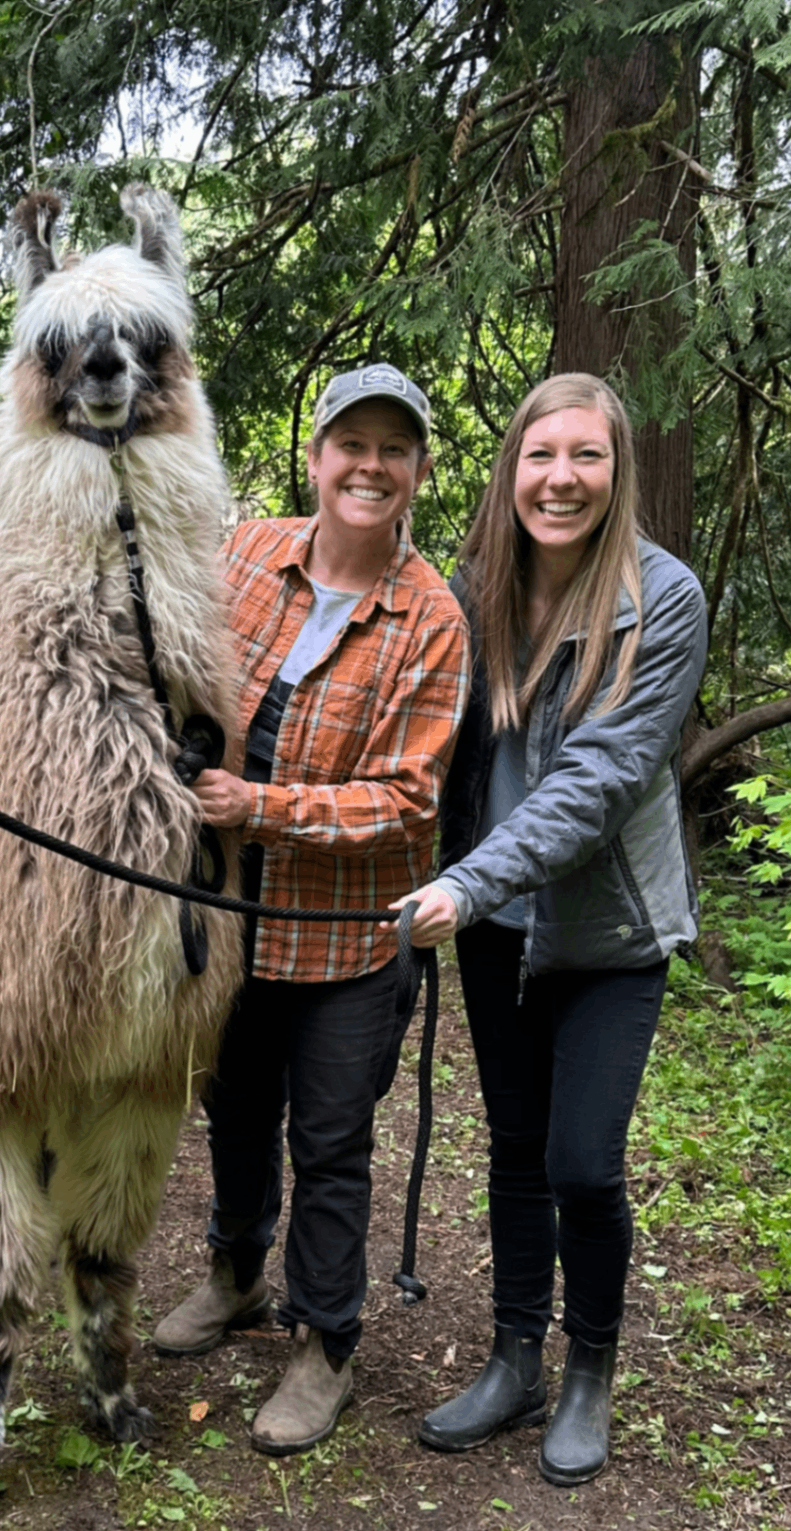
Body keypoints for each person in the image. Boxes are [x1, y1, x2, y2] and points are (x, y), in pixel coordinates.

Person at [152, 364, 470, 1455]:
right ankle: (236, 1273)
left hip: (344, 940)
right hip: (231, 923)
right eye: (352, 444)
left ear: (418, 472)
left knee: (329, 1141)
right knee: (233, 1113)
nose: (369, 467)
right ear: (317, 457)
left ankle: (324, 1341)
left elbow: (408, 798)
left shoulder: (429, 618)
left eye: (394, 450)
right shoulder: (241, 554)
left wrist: (263, 805)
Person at [403, 372, 709, 1486]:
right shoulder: (477, 584)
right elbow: (428, 739)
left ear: (617, 470)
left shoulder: (662, 599)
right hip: (491, 926)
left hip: (609, 934)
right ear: (512, 470)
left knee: (583, 1159)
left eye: (586, 457)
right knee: (518, 1152)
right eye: (542, 456)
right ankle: (515, 1356)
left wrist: (469, 883)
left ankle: (589, 1373)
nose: (561, 479)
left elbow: (602, 777)